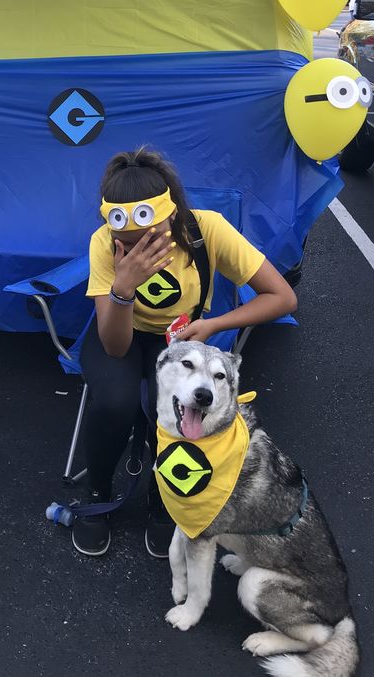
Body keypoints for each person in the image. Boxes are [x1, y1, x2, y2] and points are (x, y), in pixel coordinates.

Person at [74, 147, 298, 558]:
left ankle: (165, 502)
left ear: (171, 212)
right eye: (125, 236)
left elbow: (282, 297)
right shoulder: (104, 243)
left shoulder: (206, 231)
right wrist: (124, 286)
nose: (137, 245)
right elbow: (115, 345)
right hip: (120, 333)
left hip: (183, 338)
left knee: (183, 407)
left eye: (149, 233)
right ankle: (98, 492)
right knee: (115, 400)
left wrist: (213, 325)